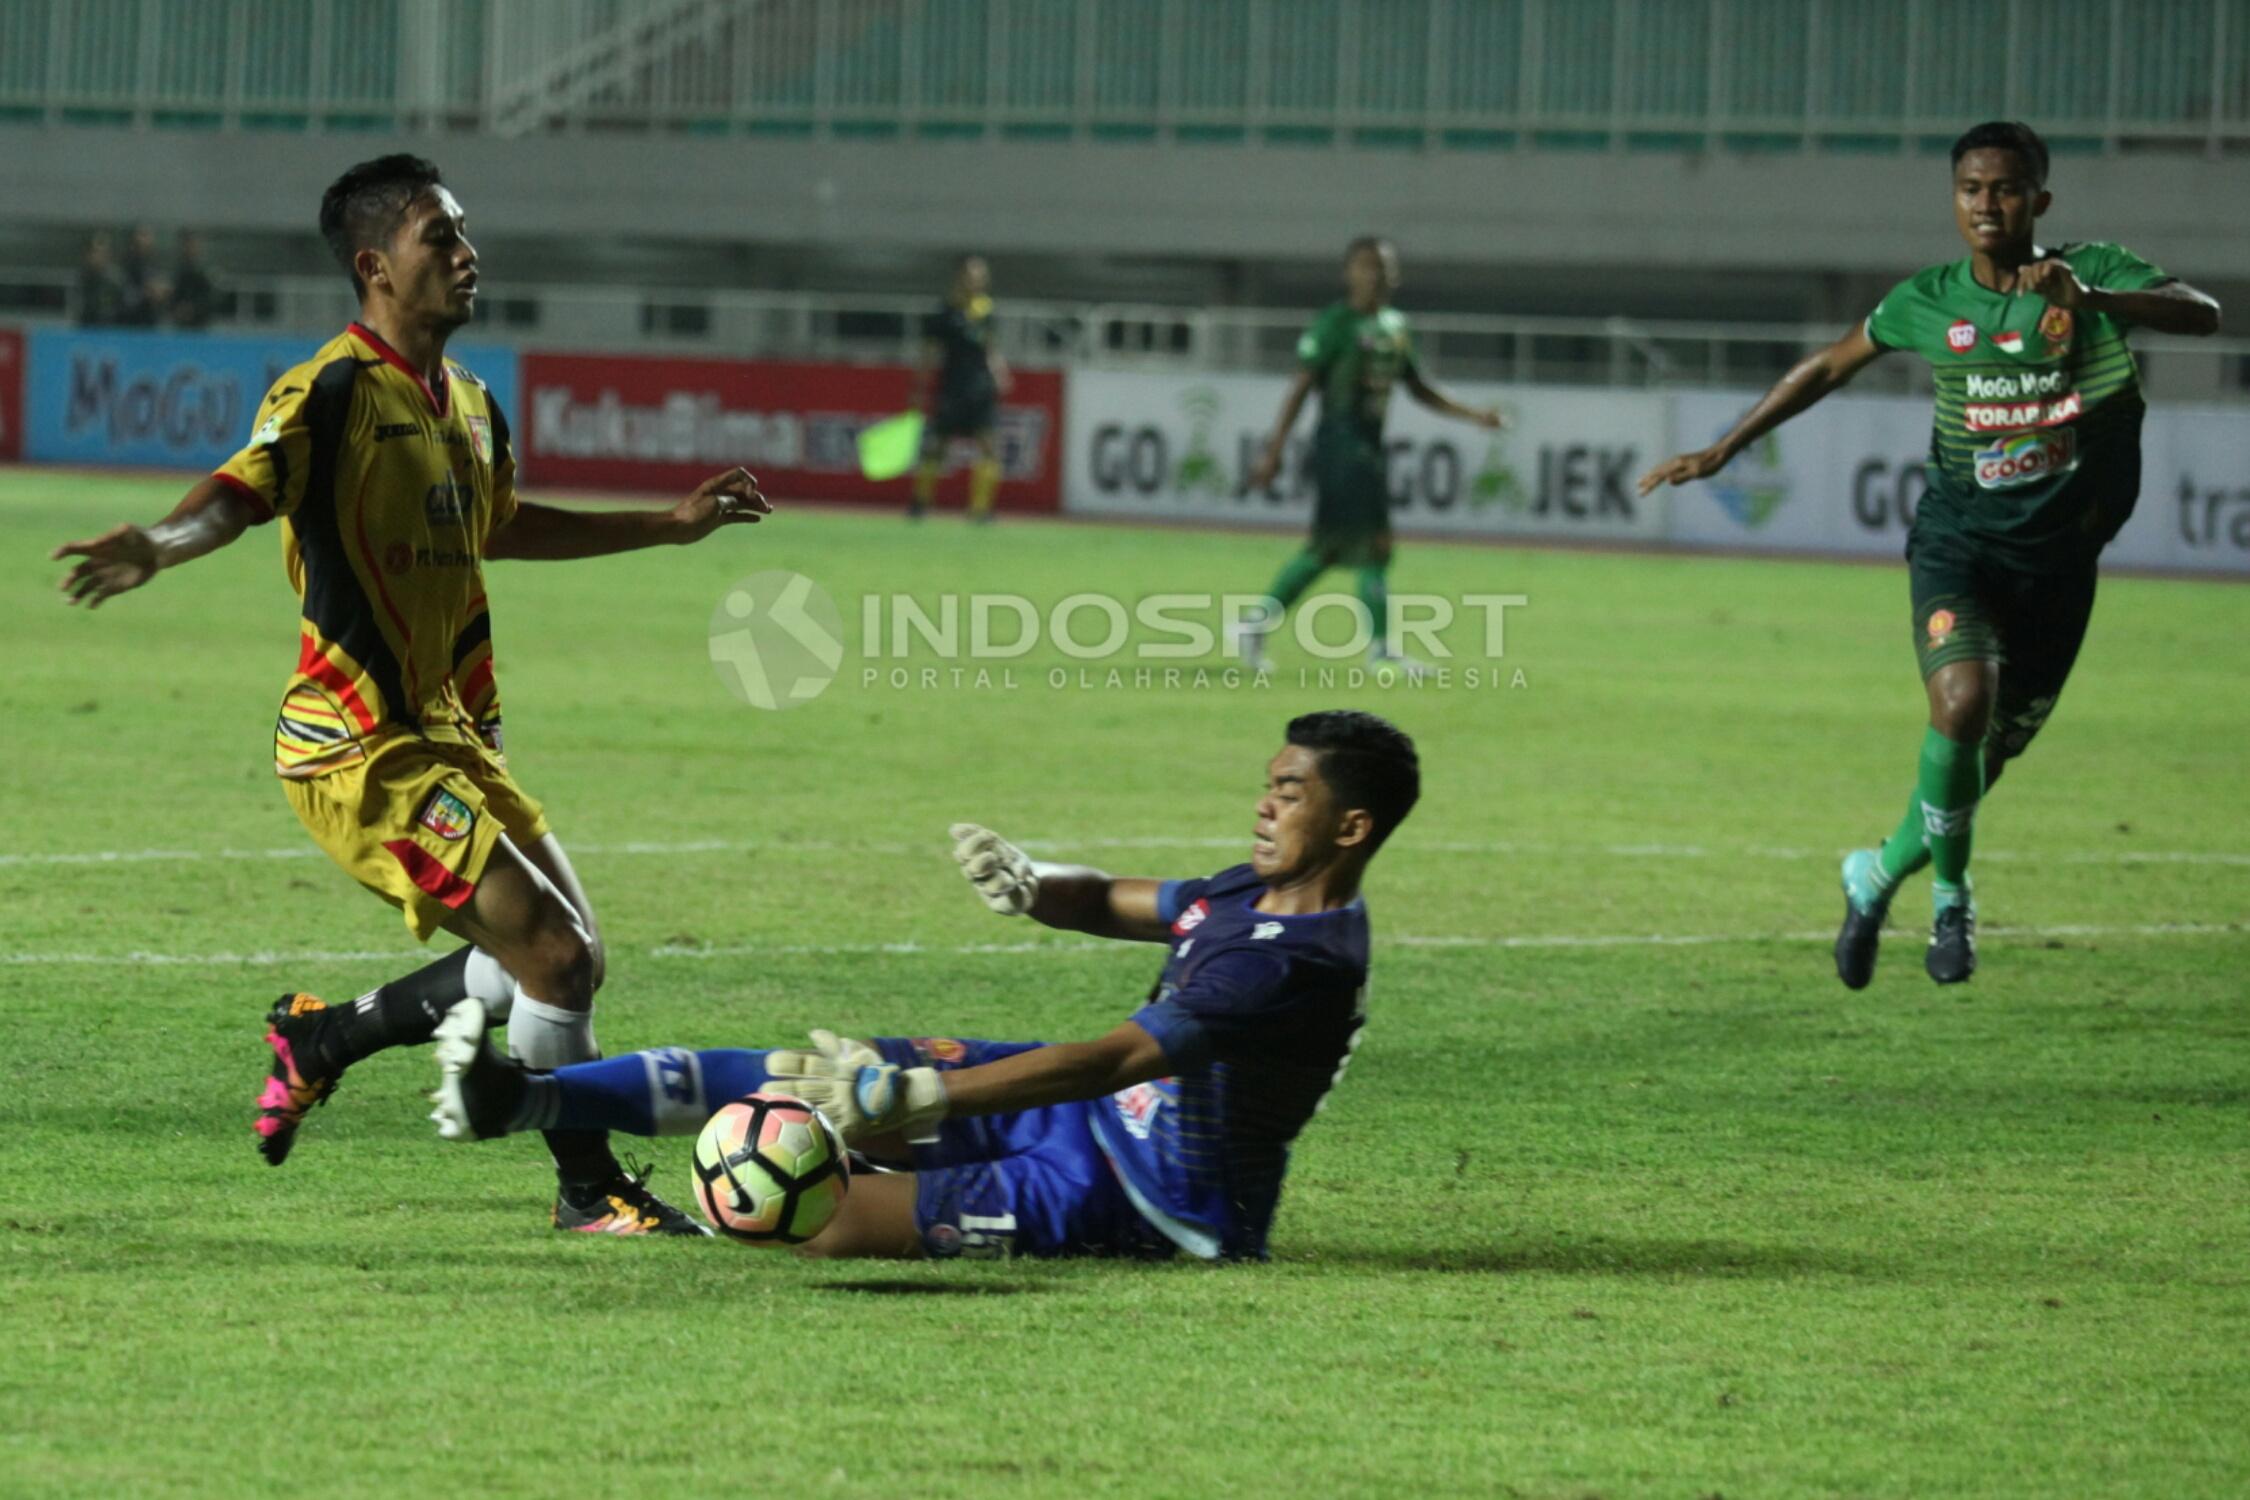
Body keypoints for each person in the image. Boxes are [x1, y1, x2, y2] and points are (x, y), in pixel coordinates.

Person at [51, 154, 771, 1235]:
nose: (468, 253)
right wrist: (156, 545)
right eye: (444, 237)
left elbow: (502, 527)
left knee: (567, 960)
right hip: (358, 747)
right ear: (375, 265)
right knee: (554, 956)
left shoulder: (474, 405)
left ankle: (324, 1039)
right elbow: (239, 497)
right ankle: (589, 1190)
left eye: (465, 233)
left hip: (448, 732)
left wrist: (666, 526)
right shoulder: (330, 391)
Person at [430, 710, 1415, 1262]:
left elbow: (1109, 1060)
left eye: (1290, 792)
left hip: (1150, 1198)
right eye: (1269, 781)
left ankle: (829, 1172)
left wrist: (926, 1095)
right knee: (818, 1076)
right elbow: (1121, 900)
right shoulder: (1258, 892)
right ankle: (528, 1099)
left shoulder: (1292, 966)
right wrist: (1038, 885)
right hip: (1089, 1120)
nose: (1263, 801)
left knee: (815, 1219)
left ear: (1351, 827)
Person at [1637, 121, 2221, 988]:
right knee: (1961, 704)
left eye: (2007, 189)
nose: (1988, 205)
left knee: (1974, 767)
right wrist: (1727, 447)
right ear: (1956, 200)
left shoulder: (2095, 270)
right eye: (1971, 190)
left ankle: (1871, 877)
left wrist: (2087, 298)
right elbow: (1832, 363)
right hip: (1961, 544)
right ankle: (1953, 903)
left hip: (2059, 568)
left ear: (2040, 201)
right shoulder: (1931, 298)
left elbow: (2203, 316)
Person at [1238, 236, 1505, 672]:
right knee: (1376, 547)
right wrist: (1274, 451)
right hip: (1340, 447)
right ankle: (1380, 650)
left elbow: (1418, 387)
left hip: (1368, 448)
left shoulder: (1396, 327)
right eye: (1365, 266)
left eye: (1383, 267)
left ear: (1395, 275)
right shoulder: (1334, 324)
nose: (1375, 275)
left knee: (1326, 550)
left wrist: (1473, 414)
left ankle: (1254, 624)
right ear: (1348, 273)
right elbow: (1301, 387)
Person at [909, 254, 1009, 522]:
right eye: (971, 274)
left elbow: (991, 347)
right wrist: (920, 386)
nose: (976, 280)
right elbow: (929, 352)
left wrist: (1000, 372)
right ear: (960, 277)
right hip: (952, 386)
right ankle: (920, 503)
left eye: (980, 275)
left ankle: (980, 510)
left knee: (989, 446)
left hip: (981, 387)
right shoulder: (944, 312)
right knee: (938, 446)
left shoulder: (986, 310)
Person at [75, 232, 126, 327]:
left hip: (111, 327)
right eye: (96, 252)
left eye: (104, 253)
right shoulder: (82, 278)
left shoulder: (116, 279)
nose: (99, 257)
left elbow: (122, 305)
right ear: (88, 255)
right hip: (87, 327)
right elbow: (79, 307)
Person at [169, 230, 218, 329]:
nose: (191, 249)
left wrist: (193, 309)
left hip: (199, 322)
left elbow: (208, 298)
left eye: (193, 246)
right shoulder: (178, 271)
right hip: (181, 322)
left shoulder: (204, 272)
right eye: (188, 246)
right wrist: (179, 309)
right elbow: (174, 294)